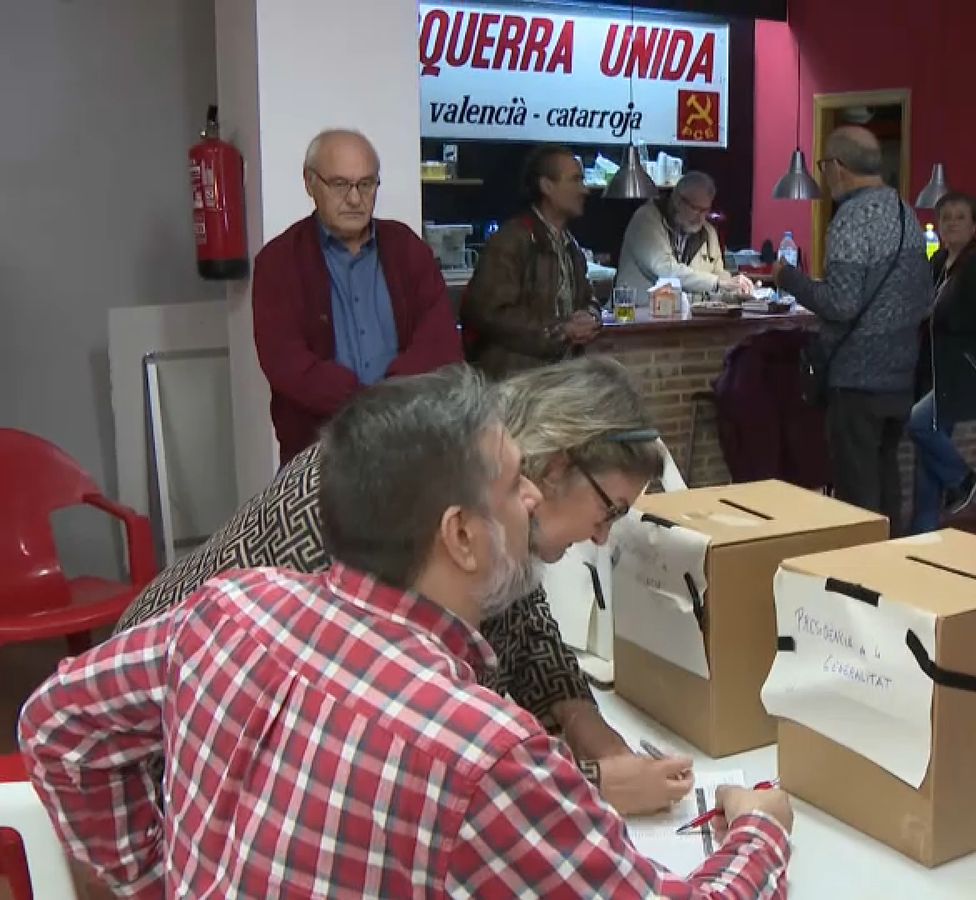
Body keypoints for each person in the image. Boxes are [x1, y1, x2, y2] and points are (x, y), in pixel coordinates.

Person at [21, 365, 793, 897]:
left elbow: (52, 720)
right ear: (466, 531)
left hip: (215, 728)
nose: (534, 507)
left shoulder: (249, 599)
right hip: (184, 746)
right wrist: (760, 831)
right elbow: (442, 770)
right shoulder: (475, 751)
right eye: (518, 486)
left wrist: (168, 882)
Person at [112, 356, 693, 816]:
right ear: (559, 464)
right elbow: (396, 752)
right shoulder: (387, 495)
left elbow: (522, 609)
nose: (601, 537)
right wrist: (590, 786)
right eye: (610, 509)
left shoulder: (474, 481)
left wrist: (585, 724)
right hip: (168, 745)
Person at [252, 128, 464, 465]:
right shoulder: (279, 261)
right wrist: (365, 404)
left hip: (411, 439)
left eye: (366, 184)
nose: (355, 198)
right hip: (320, 451)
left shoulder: (408, 248)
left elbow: (440, 344)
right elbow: (285, 361)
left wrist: (392, 401)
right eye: (340, 184)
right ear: (310, 183)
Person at [774, 125, 931, 533]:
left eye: (824, 165)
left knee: (857, 495)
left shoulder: (852, 219)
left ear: (839, 168)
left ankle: (859, 583)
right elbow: (922, 295)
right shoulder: (905, 213)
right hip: (899, 377)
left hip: (857, 379)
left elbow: (841, 304)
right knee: (887, 484)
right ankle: (891, 572)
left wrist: (787, 278)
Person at [907, 191, 976, 533]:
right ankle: (922, 536)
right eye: (945, 216)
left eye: (959, 217)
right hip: (936, 372)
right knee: (925, 464)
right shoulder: (937, 263)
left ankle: (964, 480)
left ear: (975, 225)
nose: (951, 223)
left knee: (919, 423)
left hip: (967, 375)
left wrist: (940, 315)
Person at [462, 144, 603, 378]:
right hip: (516, 384)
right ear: (547, 186)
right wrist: (561, 329)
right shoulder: (512, 240)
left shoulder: (571, 246)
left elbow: (589, 299)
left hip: (558, 380)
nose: (584, 190)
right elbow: (489, 313)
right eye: (575, 180)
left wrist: (591, 317)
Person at [615, 171, 755, 298]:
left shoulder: (708, 232)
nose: (700, 217)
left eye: (705, 210)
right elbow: (665, 270)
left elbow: (719, 277)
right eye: (695, 209)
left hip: (686, 320)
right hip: (635, 317)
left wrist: (737, 292)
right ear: (677, 200)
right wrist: (718, 282)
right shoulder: (646, 219)